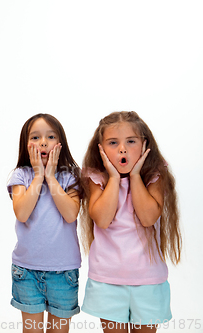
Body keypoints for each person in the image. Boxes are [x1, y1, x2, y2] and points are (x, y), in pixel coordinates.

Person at [81, 111, 182, 333]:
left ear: (144, 144)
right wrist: (115, 178)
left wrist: (135, 176)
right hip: (108, 280)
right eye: (113, 143)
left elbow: (148, 217)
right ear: (101, 148)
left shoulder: (154, 174)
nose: (122, 149)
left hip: (147, 280)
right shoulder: (96, 177)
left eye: (131, 141)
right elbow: (103, 219)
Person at [7, 114, 82, 333]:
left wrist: (51, 177)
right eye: (36, 137)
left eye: (50, 137)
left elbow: (70, 214)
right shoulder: (21, 175)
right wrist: (39, 175)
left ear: (60, 143)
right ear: (25, 144)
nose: (43, 142)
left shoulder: (71, 176)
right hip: (27, 270)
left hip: (63, 272)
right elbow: (21, 212)